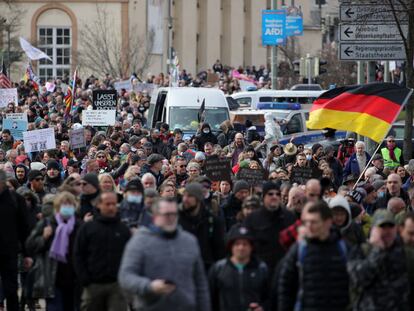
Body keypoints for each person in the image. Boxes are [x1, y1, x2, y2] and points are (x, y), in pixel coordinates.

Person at [118, 198, 210, 311]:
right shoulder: (139, 242)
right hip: (151, 307)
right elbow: (125, 277)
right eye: (167, 214)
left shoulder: (189, 241)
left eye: (174, 214)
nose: (171, 218)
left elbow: (200, 282)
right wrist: (149, 286)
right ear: (155, 217)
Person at [277, 200, 349, 311]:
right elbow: (285, 287)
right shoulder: (299, 249)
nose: (309, 226)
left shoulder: (343, 249)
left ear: (328, 222)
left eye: (314, 222)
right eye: (307, 222)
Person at [74, 191, 131, 311]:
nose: (111, 207)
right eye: (107, 204)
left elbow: (130, 257)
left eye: (114, 204)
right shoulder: (88, 228)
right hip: (93, 285)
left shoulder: (123, 229)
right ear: (99, 205)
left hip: (117, 286)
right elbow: (78, 254)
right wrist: (85, 279)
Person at [25, 191, 81, 311]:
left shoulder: (79, 225)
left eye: (70, 204)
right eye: (63, 204)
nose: (67, 207)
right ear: (57, 206)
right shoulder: (47, 223)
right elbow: (30, 245)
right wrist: (43, 238)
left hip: (74, 279)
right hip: (53, 278)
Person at [348, 209, 413, 311]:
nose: (386, 231)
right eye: (382, 227)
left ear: (396, 229)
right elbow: (357, 280)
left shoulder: (405, 252)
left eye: (390, 227)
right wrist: (377, 251)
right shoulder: (361, 251)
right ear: (373, 229)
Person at [209, 226, 269, 311]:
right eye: (237, 244)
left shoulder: (261, 268)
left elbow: (269, 297)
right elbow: (210, 298)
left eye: (245, 244)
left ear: (251, 247)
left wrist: (263, 307)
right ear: (231, 246)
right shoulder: (219, 268)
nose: (241, 248)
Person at [243, 181, 296, 277]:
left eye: (277, 194)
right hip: (258, 271)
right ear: (264, 197)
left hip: (284, 271)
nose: (274, 196)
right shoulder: (253, 218)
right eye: (270, 194)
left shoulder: (289, 217)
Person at [0, 170, 30, 311]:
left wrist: (27, 253)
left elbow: (24, 228)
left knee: (11, 289)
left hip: (9, 252)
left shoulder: (16, 199)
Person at [179, 182, 225, 269]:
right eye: (184, 196)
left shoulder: (212, 220)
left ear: (198, 198)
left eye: (190, 196)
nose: (185, 199)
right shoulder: (176, 218)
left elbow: (219, 250)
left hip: (206, 267)